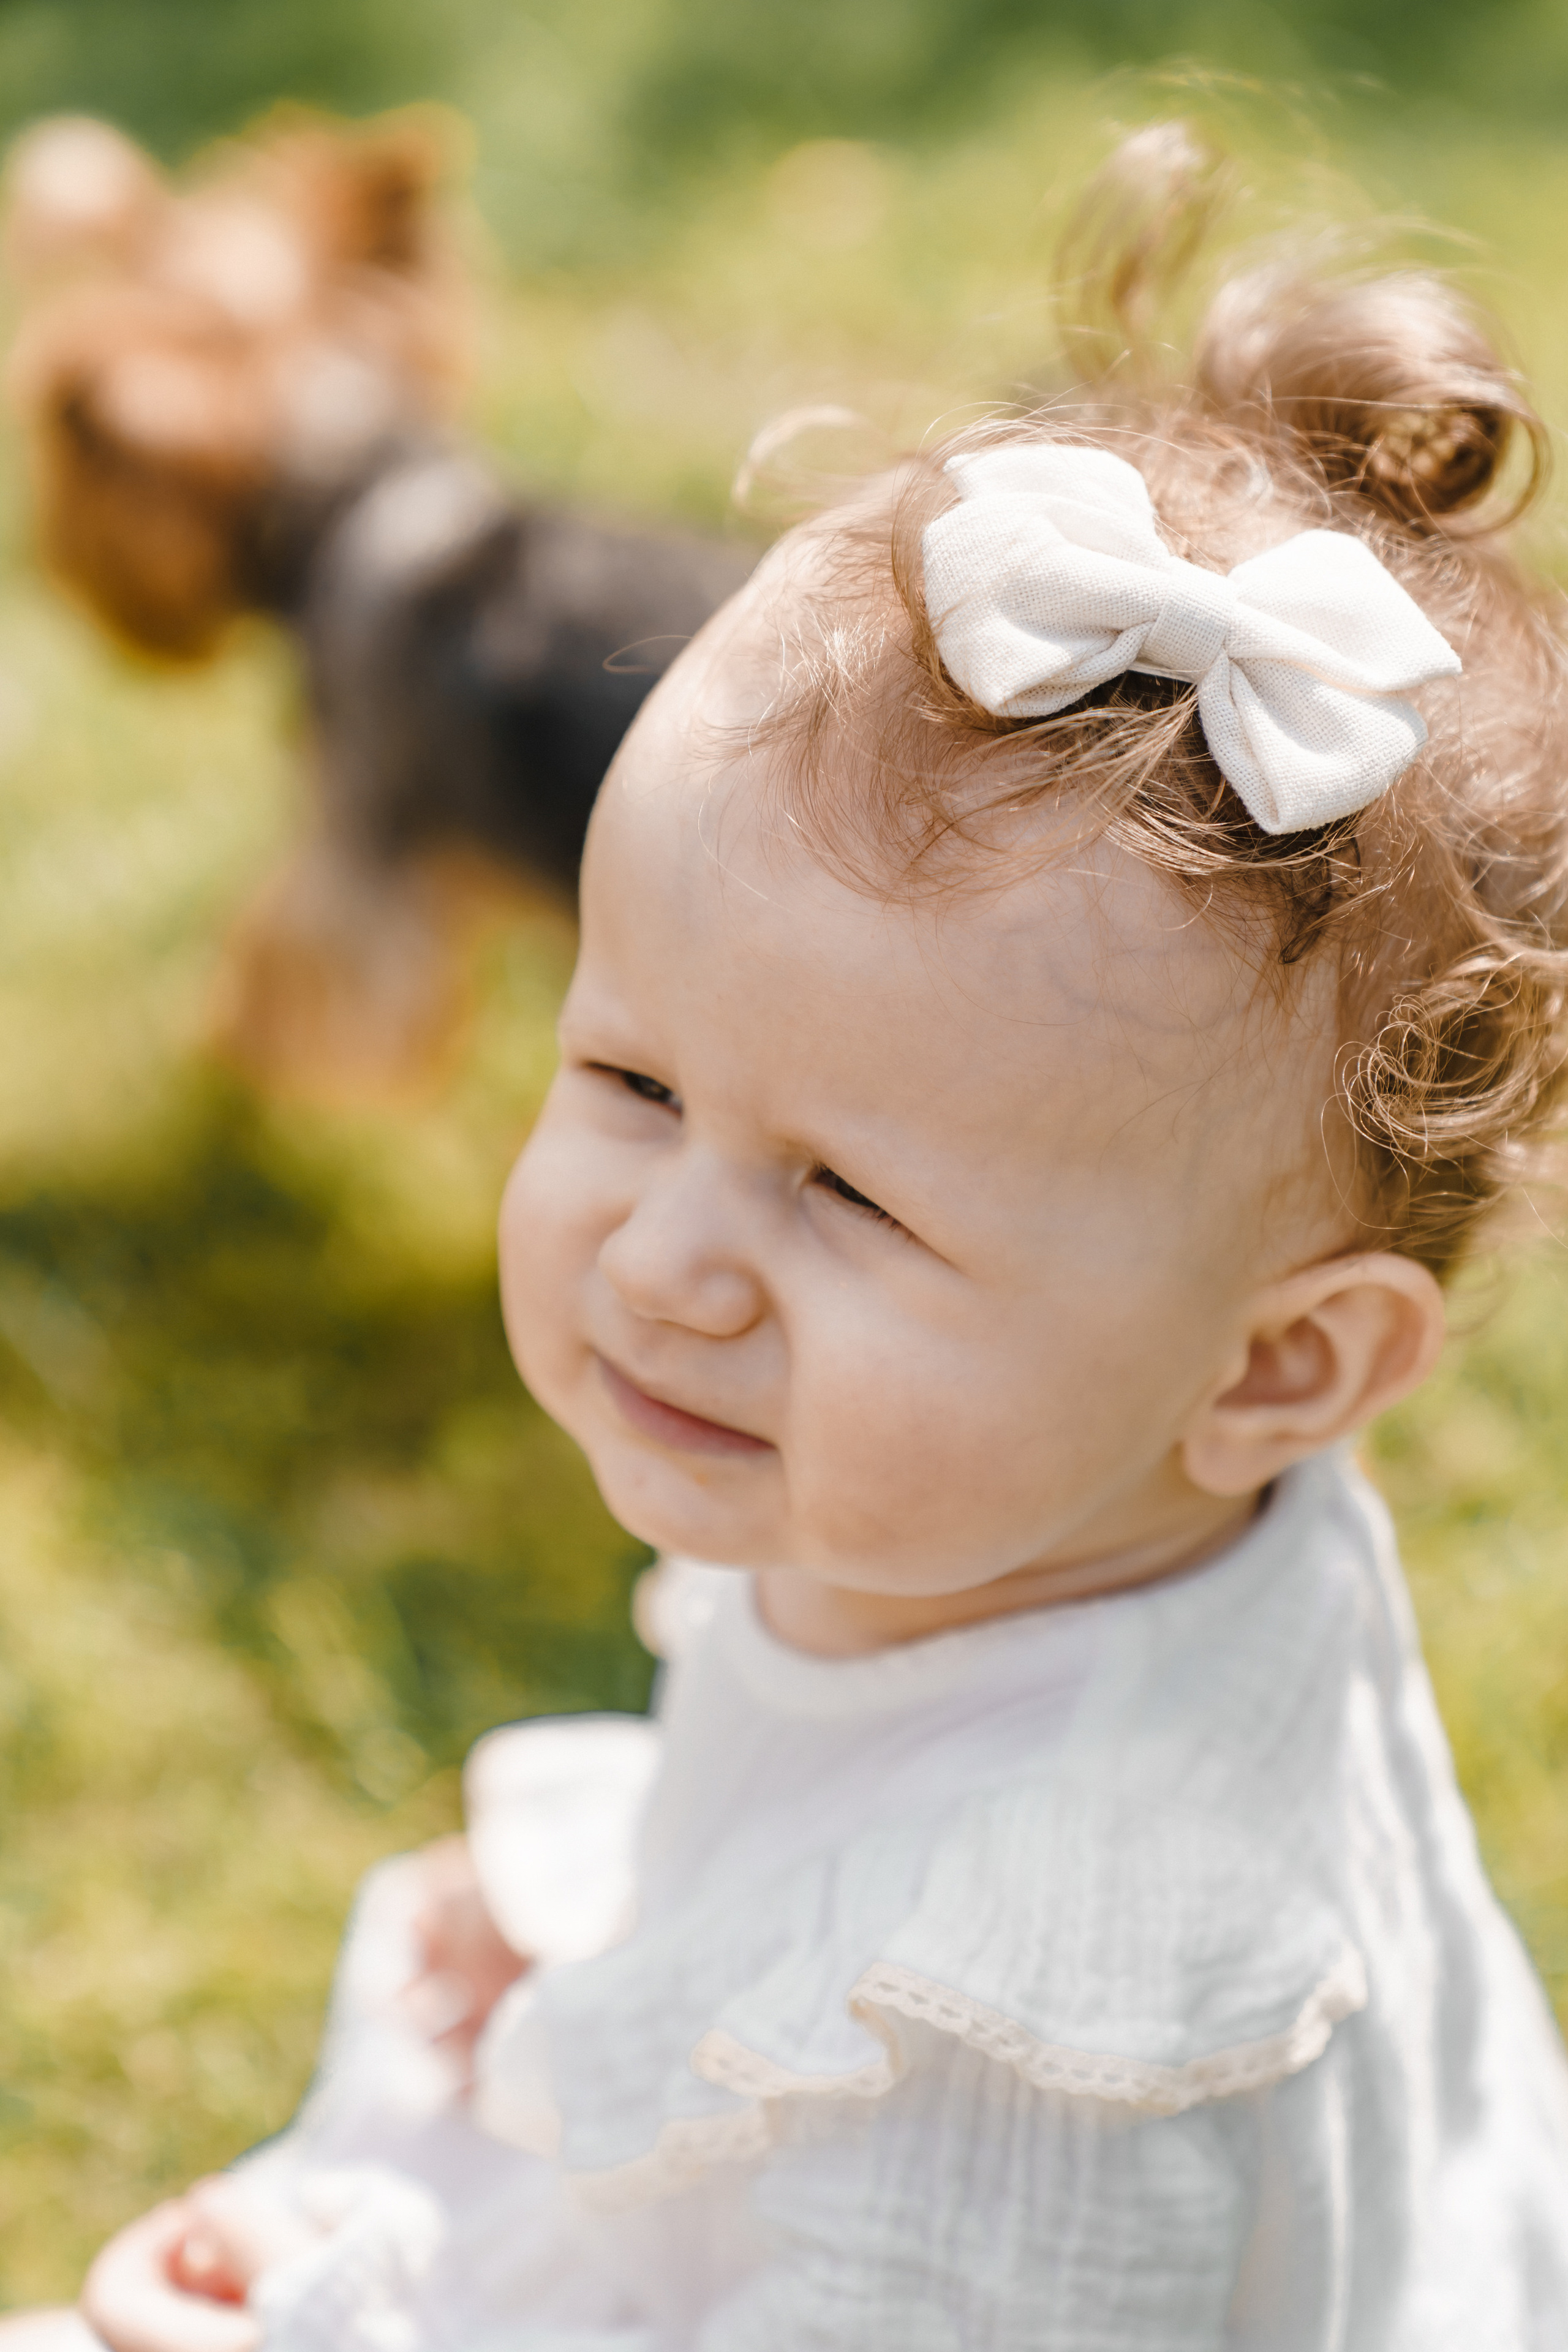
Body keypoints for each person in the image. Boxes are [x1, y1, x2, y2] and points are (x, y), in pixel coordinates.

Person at [21, 129, 1568, 2348]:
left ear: (1282, 1365)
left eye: (851, 1195)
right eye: (631, 1084)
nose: (667, 1262)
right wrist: (649, 1900)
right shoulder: (1076, 1506)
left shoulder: (1024, 2061)